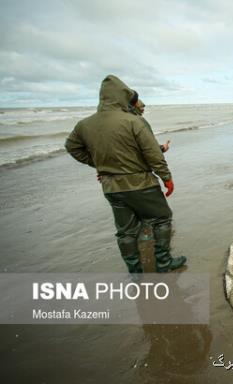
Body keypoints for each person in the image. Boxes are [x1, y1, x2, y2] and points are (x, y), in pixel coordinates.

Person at [65, 75, 186, 274]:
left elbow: (72, 147)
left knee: (126, 231)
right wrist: (166, 177)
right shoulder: (133, 121)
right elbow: (152, 153)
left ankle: (135, 270)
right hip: (141, 184)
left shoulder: (84, 125)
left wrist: (100, 165)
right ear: (123, 96)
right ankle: (164, 263)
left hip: (111, 187)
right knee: (162, 219)